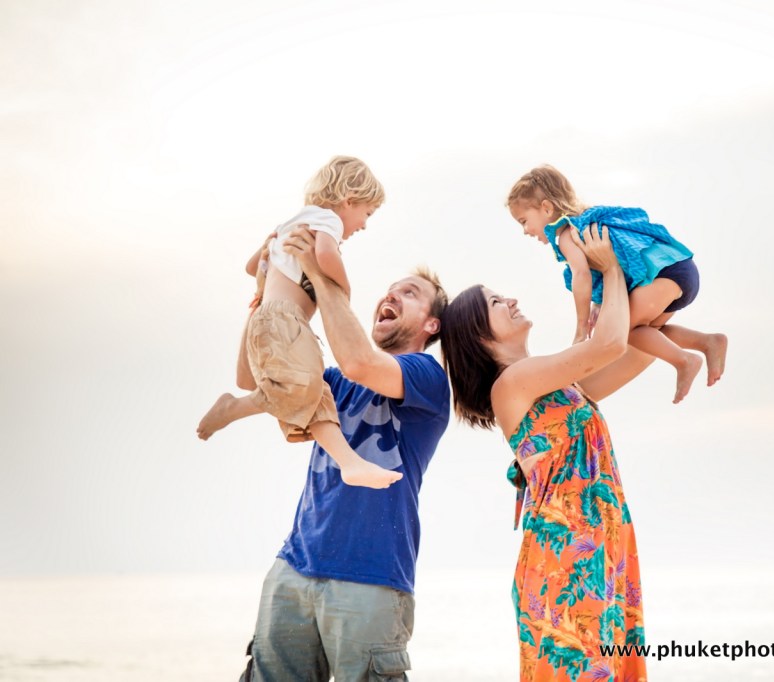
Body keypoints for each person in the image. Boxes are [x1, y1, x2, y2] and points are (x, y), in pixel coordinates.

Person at [440, 225, 654, 681]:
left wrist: (617, 280)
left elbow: (637, 347)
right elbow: (611, 344)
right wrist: (609, 266)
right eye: (496, 302)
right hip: (566, 564)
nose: (511, 300)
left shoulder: (561, 385)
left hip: (604, 547)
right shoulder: (512, 384)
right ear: (478, 334)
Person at [239, 227, 451, 681]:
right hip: (294, 566)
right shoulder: (334, 381)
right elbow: (251, 381)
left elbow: (360, 361)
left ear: (431, 324)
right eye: (389, 290)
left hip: (370, 576)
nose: (390, 296)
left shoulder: (428, 379)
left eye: (409, 293)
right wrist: (264, 294)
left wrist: (319, 271)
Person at [197, 156, 401, 488]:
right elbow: (325, 255)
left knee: (315, 390)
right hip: (285, 321)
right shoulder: (327, 220)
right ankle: (235, 408)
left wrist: (267, 246)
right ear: (348, 200)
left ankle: (349, 462)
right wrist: (342, 290)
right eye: (366, 214)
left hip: (268, 320)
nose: (363, 225)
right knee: (300, 388)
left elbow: (253, 268)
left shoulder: (293, 223)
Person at [507, 164, 728, 403]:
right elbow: (610, 265)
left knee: (621, 330)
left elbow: (582, 275)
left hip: (663, 275)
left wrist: (581, 329)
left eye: (523, 221)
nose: (525, 231)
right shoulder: (587, 221)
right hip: (679, 268)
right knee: (646, 333)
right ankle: (707, 341)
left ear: (546, 208)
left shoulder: (566, 235)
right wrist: (599, 303)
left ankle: (684, 360)